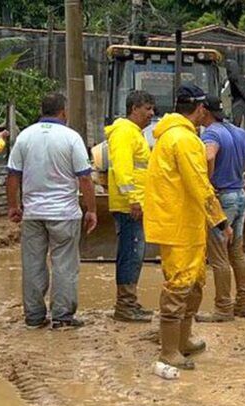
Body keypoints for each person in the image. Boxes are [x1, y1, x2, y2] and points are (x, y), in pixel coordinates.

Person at [143, 84, 229, 370]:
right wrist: (220, 220)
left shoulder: (170, 136)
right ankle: (169, 350)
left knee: (193, 282)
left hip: (180, 222)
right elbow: (199, 184)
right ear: (201, 108)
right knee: (180, 285)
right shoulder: (185, 140)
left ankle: (183, 339)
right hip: (180, 224)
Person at [6, 93, 97, 330]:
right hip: (65, 214)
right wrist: (91, 210)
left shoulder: (24, 137)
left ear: (41, 110)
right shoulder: (71, 138)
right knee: (64, 265)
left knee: (32, 264)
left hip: (33, 214)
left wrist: (14, 206)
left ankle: (34, 317)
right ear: (63, 112)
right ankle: (62, 317)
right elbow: (85, 178)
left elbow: (13, 176)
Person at [196, 97, 245, 323]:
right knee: (237, 252)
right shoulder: (239, 132)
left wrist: (208, 183)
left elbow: (208, 155)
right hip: (240, 196)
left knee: (218, 256)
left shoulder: (211, 134)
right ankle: (243, 304)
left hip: (222, 198)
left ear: (205, 111)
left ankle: (223, 308)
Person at [105, 90, 156, 323]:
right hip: (129, 206)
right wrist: (133, 199)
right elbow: (123, 169)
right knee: (131, 254)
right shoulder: (125, 132)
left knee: (134, 254)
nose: (151, 114)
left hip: (135, 204)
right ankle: (125, 306)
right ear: (134, 108)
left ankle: (129, 302)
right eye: (147, 108)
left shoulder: (133, 133)